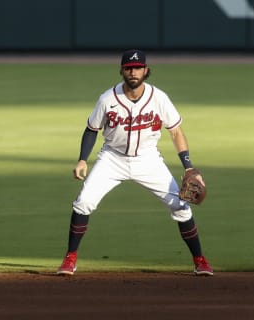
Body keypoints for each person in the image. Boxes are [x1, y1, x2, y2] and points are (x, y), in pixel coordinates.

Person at [57, 49, 213, 276]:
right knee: (83, 202)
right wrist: (82, 160)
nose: (133, 72)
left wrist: (188, 166)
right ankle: (70, 258)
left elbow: (176, 132)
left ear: (146, 70)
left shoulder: (159, 98)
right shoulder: (107, 99)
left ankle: (200, 260)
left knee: (181, 206)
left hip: (148, 160)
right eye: (129, 68)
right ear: (122, 71)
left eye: (138, 67)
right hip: (112, 159)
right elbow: (92, 130)